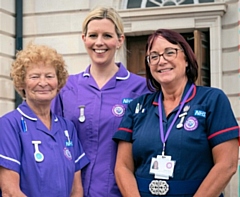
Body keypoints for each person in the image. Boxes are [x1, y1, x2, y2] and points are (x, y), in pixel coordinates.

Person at [113, 29, 239, 197]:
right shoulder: (137, 106)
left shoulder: (212, 100)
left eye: (169, 52)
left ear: (186, 58)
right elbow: (122, 167)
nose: (161, 61)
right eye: (154, 56)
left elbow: (227, 164)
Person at [51, 6, 149, 197]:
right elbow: (53, 141)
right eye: (93, 35)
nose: (99, 42)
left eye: (107, 35)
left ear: (120, 40)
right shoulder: (66, 87)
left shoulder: (141, 89)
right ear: (84, 39)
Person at [0, 43, 89, 197]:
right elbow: (10, 192)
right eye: (34, 76)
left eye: (49, 76)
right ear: (22, 82)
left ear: (58, 81)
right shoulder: (9, 125)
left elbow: (76, 189)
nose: (43, 83)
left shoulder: (67, 128)